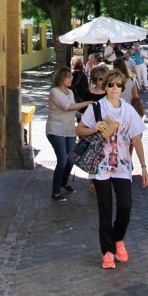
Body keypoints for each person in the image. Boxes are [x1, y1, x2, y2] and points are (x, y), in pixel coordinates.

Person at [76, 68, 148, 268]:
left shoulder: (128, 110)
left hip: (123, 166)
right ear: (105, 86)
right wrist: (94, 128)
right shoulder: (97, 108)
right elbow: (79, 129)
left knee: (125, 205)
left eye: (118, 85)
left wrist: (143, 166)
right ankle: (107, 252)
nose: (114, 88)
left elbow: (136, 138)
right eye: (111, 85)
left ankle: (118, 239)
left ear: (122, 88)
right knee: (105, 209)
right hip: (101, 166)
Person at [46, 65, 92, 202]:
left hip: (69, 130)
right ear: (61, 78)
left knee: (71, 158)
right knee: (62, 159)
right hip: (56, 130)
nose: (71, 79)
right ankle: (55, 191)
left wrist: (85, 116)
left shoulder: (70, 93)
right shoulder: (54, 92)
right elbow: (67, 107)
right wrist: (87, 103)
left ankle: (64, 182)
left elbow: (73, 111)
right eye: (68, 77)